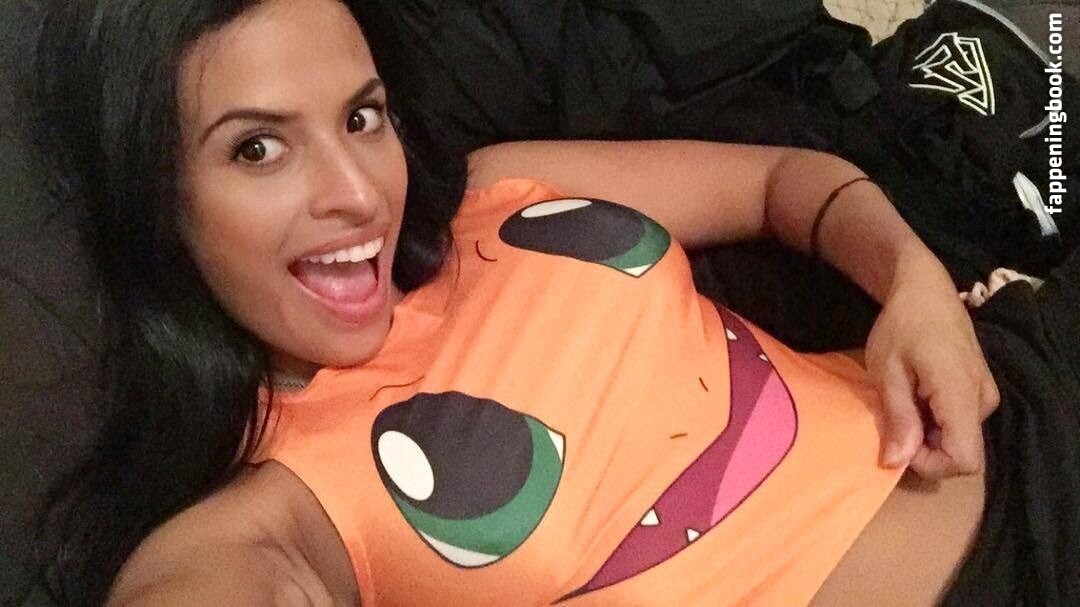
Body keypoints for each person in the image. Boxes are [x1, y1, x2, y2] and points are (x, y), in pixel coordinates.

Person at [28, 0, 1074, 605]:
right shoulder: (272, 511)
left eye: (361, 117)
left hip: (1018, 406)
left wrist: (916, 289)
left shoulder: (492, 191)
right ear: (155, 200)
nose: (358, 193)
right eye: (258, 148)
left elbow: (779, 183)